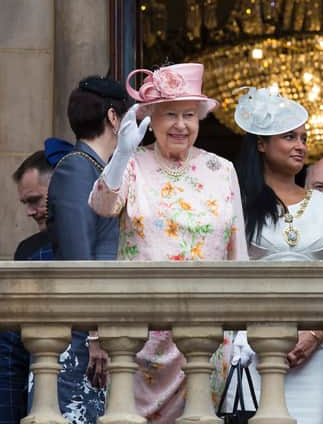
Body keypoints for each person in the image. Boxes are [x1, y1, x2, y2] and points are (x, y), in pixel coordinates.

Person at [89, 63, 248, 423]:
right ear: (150, 119)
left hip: (207, 334)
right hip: (140, 333)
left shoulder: (221, 170)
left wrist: (242, 329)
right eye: (170, 114)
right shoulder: (134, 164)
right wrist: (121, 153)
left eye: (189, 115)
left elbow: (237, 251)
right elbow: (101, 205)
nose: (181, 124)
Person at [231, 86, 323, 424]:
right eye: (289, 137)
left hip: (318, 347)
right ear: (261, 143)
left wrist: (314, 333)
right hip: (251, 344)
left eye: (303, 138)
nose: (300, 146)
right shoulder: (236, 201)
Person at [46, 76, 130, 424]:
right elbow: (81, 259)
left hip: (100, 334)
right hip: (83, 341)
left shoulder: (100, 169)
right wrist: (95, 332)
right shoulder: (77, 166)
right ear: (113, 118)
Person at [3, 150, 58, 424]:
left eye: (35, 200)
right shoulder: (29, 250)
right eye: (26, 202)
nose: (29, 212)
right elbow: (12, 348)